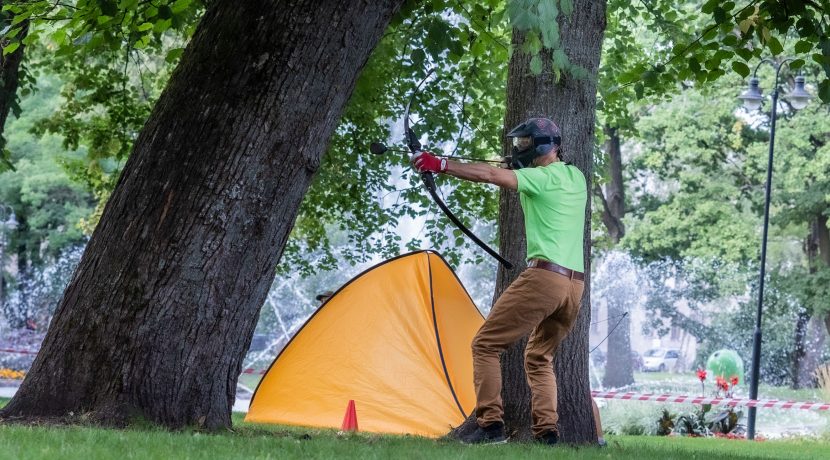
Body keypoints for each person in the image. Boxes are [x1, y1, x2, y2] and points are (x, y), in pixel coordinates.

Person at [411, 117, 586, 445]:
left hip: (545, 278)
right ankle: (547, 434)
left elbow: (490, 175)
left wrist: (440, 164)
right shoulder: (575, 176)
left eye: (523, 145)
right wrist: (513, 163)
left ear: (541, 146)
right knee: (538, 357)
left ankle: (490, 425)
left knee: (485, 344)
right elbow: (502, 169)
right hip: (575, 287)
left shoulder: (539, 177)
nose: (518, 150)